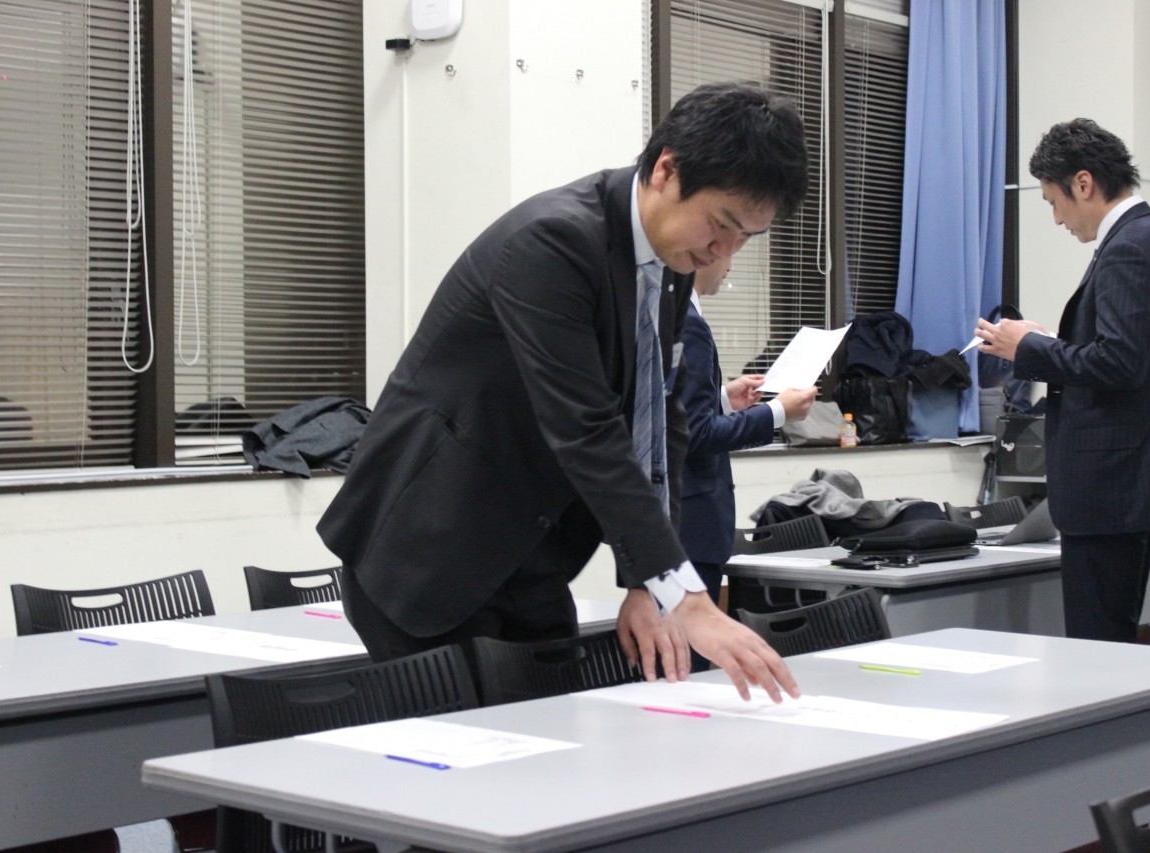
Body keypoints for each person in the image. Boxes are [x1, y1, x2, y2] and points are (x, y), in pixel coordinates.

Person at [318, 83, 810, 700]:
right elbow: (587, 428)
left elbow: (660, 421)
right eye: (721, 224)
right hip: (429, 552)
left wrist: (647, 583)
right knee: (473, 751)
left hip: (534, 554)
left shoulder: (669, 264)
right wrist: (684, 595)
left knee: (557, 734)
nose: (723, 252)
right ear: (666, 170)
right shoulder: (551, 242)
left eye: (746, 239)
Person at [975, 118, 1150, 642]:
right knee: (1116, 636)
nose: (1057, 219)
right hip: (1144, 475)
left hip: (1114, 484)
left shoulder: (1128, 247)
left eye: (1053, 202)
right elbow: (1134, 354)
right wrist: (1049, 341)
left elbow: (1119, 364)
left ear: (1084, 184)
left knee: (1098, 644)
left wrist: (1028, 349)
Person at [679, 259, 816, 617]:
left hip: (671, 529)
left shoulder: (670, 314)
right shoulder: (688, 323)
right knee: (685, 649)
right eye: (728, 247)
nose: (731, 263)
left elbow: (673, 414)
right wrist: (777, 412)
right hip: (687, 529)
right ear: (704, 253)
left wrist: (723, 400)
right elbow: (696, 434)